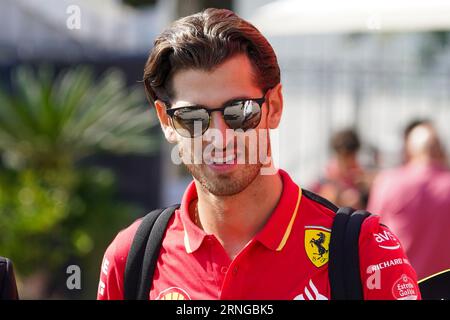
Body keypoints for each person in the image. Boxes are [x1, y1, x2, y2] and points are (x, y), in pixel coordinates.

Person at [97, 8, 420, 300]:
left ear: (275, 107)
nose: (219, 137)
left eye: (240, 112)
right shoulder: (132, 257)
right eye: (193, 118)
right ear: (167, 122)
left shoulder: (364, 251)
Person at [368, 120, 450, 280]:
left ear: (409, 151)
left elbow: (372, 233)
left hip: (398, 283)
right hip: (443, 286)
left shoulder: (388, 182)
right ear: (440, 150)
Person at [311, 128, 373, 209]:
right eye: (345, 156)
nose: (349, 162)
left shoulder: (361, 175)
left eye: (351, 156)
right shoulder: (324, 177)